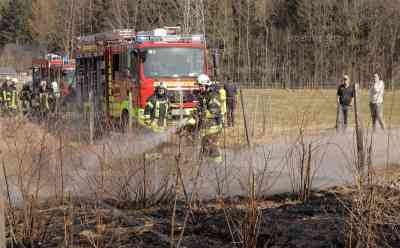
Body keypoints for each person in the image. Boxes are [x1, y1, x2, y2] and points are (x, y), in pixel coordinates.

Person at [196, 74, 223, 163]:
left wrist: (201, 114)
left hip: (213, 127)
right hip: (206, 127)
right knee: (205, 148)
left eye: (200, 85)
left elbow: (214, 111)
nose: (199, 88)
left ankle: (218, 169)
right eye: (199, 86)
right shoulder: (204, 95)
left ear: (206, 85)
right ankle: (206, 168)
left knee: (213, 149)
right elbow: (202, 108)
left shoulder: (213, 96)